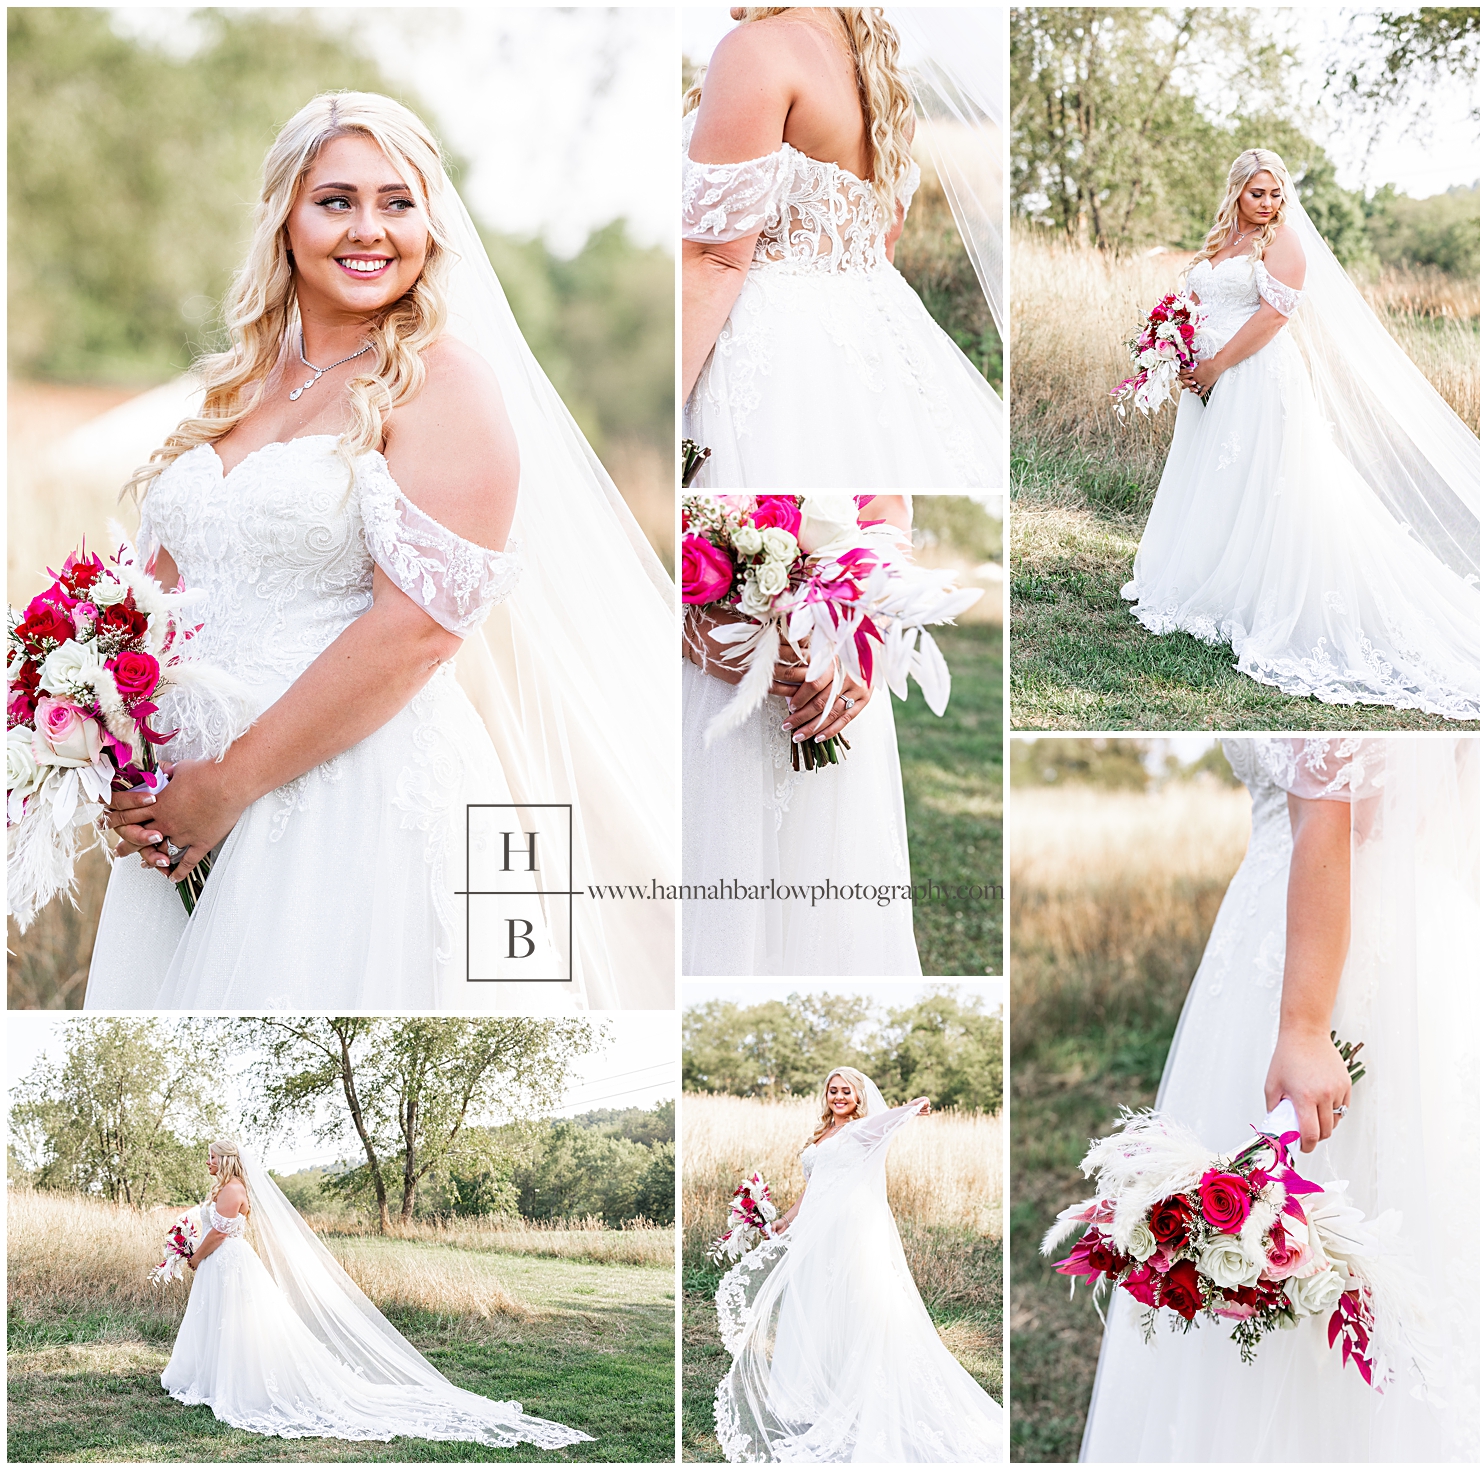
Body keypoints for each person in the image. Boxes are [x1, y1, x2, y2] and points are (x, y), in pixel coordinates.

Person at [85, 93, 674, 1011]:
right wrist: (113, 747)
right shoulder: (238, 383)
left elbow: (421, 632)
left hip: (346, 799)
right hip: (183, 808)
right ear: (286, 216)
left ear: (431, 223)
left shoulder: (445, 382)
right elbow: (156, 607)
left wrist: (229, 784)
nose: (370, 230)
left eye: (397, 202)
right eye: (337, 201)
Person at [1081, 737, 1480, 1461]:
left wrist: (1303, 1027)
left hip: (1322, 941)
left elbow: (1328, 811)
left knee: (1338, 1207)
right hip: (1430, 938)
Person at [1121, 150, 1480, 721]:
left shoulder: (1283, 241)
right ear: (1236, 191)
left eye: (1274, 194)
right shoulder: (1222, 239)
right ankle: (1210, 578)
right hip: (1208, 380)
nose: (1268, 204)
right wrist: (1172, 343)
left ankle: (1262, 596)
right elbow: (1199, 299)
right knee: (1218, 483)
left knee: (1268, 485)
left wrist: (1217, 365)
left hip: (1255, 377)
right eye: (1257, 194)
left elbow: (1273, 318)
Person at [682, 7, 1005, 488]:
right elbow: (884, 243)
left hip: (772, 352)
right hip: (878, 336)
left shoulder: (757, 50)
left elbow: (717, 259)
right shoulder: (882, 81)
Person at [161, 1140, 591, 1448]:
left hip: (229, 1264)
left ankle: (241, 1384)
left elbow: (220, 1231)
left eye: (212, 1157)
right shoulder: (222, 1188)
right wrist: (187, 1249)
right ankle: (210, 1378)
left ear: (228, 1160)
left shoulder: (234, 1189)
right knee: (219, 1322)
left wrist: (195, 1257)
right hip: (220, 1265)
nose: (207, 1162)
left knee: (242, 1324)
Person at [681, 494, 921, 975]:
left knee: (830, 907)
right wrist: (686, 627)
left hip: (836, 654)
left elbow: (887, 516)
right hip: (712, 679)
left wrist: (871, 633)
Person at [713, 1067, 1005, 1462]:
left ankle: (863, 1392)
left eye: (846, 1091)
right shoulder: (822, 1135)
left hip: (849, 1231)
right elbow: (815, 1185)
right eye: (832, 1090)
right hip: (818, 1234)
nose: (837, 1096)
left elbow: (884, 1123)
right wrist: (786, 1218)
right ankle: (823, 1389)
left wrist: (910, 1108)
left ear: (858, 1096)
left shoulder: (858, 1130)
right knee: (820, 1307)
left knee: (861, 1305)